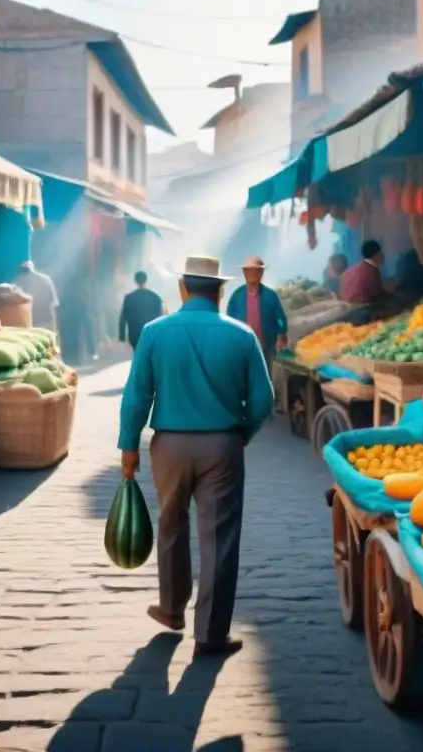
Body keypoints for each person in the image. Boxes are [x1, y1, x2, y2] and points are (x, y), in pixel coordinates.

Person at [118, 255, 274, 657]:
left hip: (168, 445)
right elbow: (263, 399)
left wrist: (129, 446)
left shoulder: (154, 332)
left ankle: (171, 610)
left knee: (170, 525)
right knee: (219, 538)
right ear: (220, 292)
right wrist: (242, 434)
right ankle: (209, 633)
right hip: (222, 446)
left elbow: (137, 396)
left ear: (183, 289)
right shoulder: (242, 336)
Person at [225, 256, 289, 368]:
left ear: (262, 272)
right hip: (242, 348)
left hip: (267, 347)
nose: (252, 274)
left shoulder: (270, 296)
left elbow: (280, 318)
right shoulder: (236, 296)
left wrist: (282, 333)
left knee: (265, 373)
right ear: (244, 272)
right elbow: (229, 321)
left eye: (255, 270)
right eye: (248, 270)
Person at [339, 239, 396, 304]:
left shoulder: (355, 268)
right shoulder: (372, 270)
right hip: (363, 307)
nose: (383, 255)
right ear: (376, 254)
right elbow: (377, 294)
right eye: (380, 252)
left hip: (347, 305)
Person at [118, 271, 164, 350]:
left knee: (138, 354)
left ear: (135, 281)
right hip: (151, 333)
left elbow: (123, 316)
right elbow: (160, 317)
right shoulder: (155, 297)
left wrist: (122, 335)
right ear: (146, 280)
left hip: (135, 334)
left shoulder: (129, 298)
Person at [13, 260, 60, 333]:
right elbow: (54, 301)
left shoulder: (17, 281)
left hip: (31, 321)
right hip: (46, 319)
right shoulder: (45, 279)